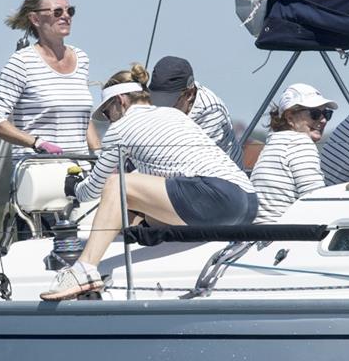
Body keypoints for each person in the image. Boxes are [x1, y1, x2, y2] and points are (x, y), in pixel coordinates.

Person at [40, 64, 257, 301]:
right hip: (246, 201)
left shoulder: (119, 129)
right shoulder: (173, 114)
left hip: (214, 197)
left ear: (120, 101)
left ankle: (84, 271)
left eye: (106, 112)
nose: (107, 119)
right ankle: (148, 235)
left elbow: (93, 190)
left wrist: (73, 187)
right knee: (135, 193)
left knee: (117, 184)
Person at [0, 0, 99, 158]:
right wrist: (37, 142)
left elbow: (83, 119)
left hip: (81, 170)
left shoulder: (81, 58)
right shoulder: (21, 63)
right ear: (35, 19)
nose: (66, 16)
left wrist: (101, 156)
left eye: (70, 11)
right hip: (39, 171)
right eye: (57, 12)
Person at [251, 83, 337, 223]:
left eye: (327, 114)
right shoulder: (300, 143)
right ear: (290, 118)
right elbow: (315, 201)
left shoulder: (273, 143)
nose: (323, 120)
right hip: (285, 236)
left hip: (261, 235)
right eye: (315, 114)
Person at [148, 56, 243, 168]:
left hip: (217, 177)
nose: (162, 109)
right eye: (157, 100)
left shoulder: (211, 112)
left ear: (189, 95)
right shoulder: (164, 106)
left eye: (168, 103)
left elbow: (193, 161)